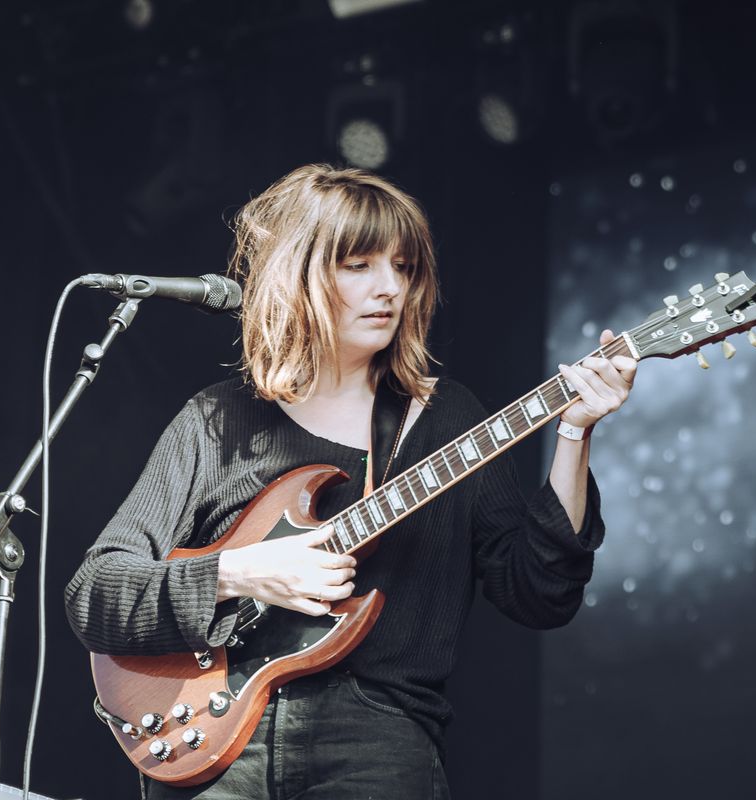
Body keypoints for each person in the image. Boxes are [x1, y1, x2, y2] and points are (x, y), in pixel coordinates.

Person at [65, 164, 637, 799]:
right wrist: (244, 573)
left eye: (404, 267)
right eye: (360, 265)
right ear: (300, 275)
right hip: (215, 742)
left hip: (378, 739)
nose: (390, 288)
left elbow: (539, 594)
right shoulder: (217, 420)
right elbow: (96, 592)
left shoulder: (448, 420)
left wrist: (575, 432)